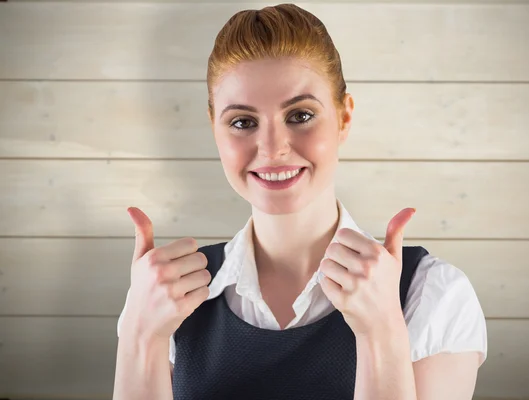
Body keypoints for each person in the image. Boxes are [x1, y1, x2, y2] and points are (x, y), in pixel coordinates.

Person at [113, 3, 487, 399]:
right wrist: (140, 333)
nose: (273, 148)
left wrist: (383, 331)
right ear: (215, 129)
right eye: (243, 122)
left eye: (300, 115)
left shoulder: (432, 294)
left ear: (344, 118)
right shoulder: (161, 297)